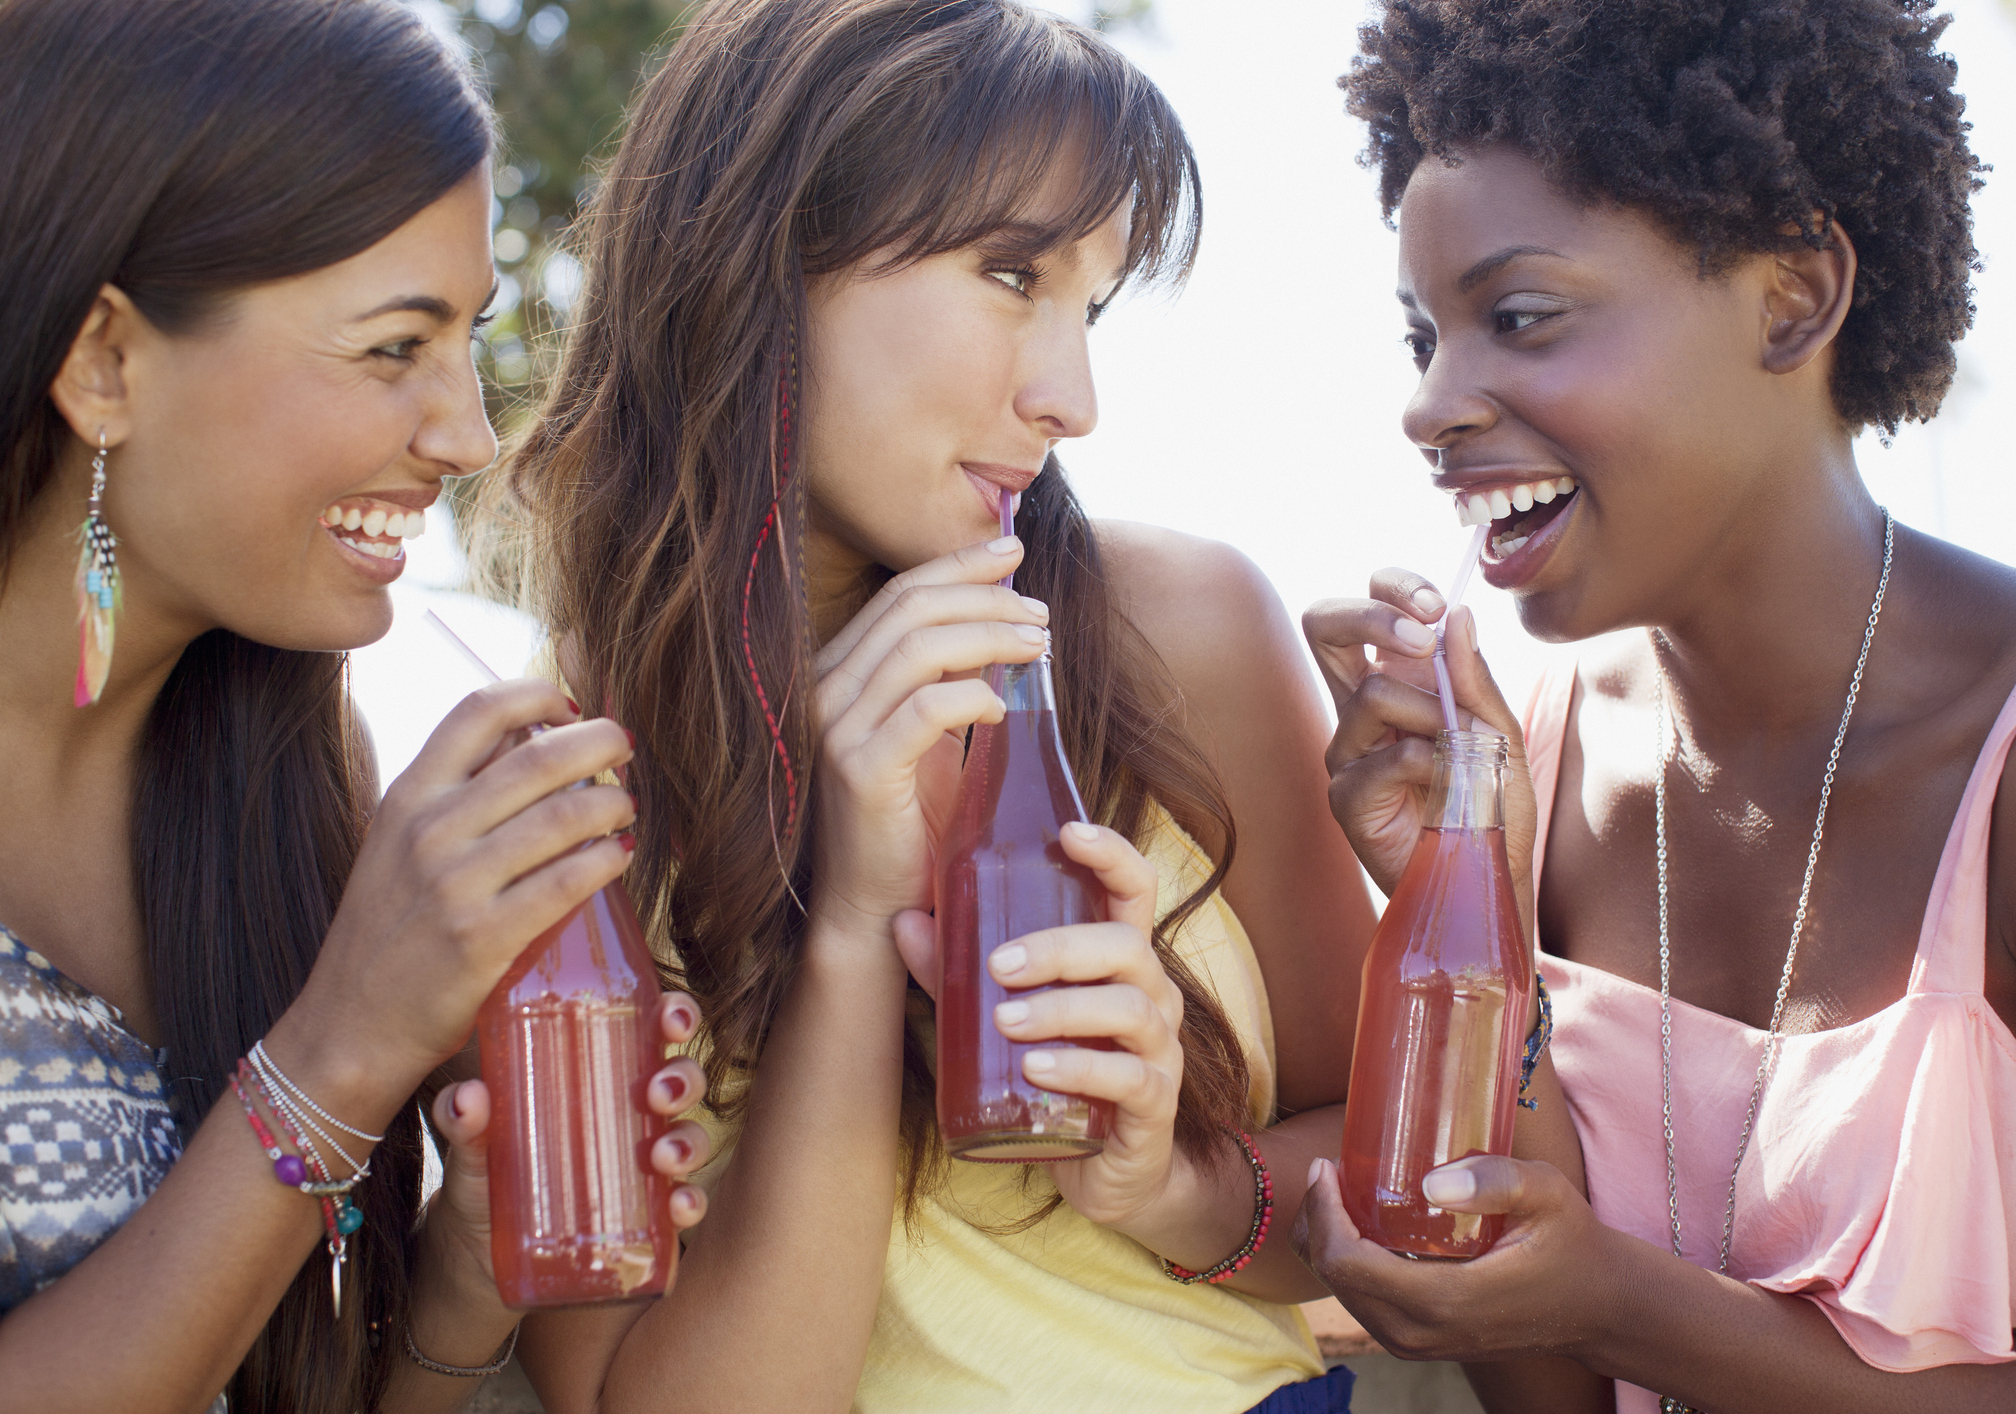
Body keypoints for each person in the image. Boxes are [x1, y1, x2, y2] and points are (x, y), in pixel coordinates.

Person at [481, 2, 1571, 1409]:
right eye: (1011, 274)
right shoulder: (556, 791)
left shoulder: (1165, 632)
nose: (1073, 396)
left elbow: (1390, 1183)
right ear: (764, 255)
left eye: (1092, 308)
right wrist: (856, 929)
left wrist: (1164, 1179)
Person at [1292, 0, 2016, 1410]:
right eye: (1423, 334)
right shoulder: (1527, 770)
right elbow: (1547, 1389)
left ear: (1790, 296)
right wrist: (1460, 896)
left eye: (1518, 317)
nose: (1431, 404)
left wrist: (1626, 1304)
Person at [0, 2, 712, 1408]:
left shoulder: (295, 780)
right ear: (105, 363)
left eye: (470, 342)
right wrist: (343, 1048)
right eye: (395, 347)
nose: (463, 432)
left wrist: (465, 1253)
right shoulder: (344, 959)